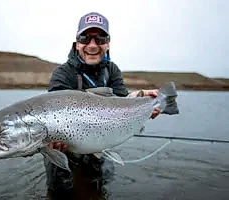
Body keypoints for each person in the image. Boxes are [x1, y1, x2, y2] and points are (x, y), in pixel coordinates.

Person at [45, 12, 160, 199]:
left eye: (99, 38)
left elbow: (122, 100)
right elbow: (53, 111)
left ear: (107, 43)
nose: (92, 45)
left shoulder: (111, 70)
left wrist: (141, 97)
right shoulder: (63, 73)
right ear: (77, 43)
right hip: (64, 158)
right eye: (85, 38)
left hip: (99, 149)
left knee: (98, 189)